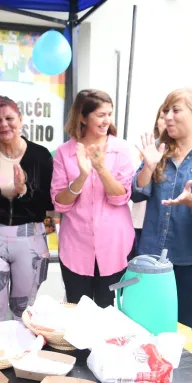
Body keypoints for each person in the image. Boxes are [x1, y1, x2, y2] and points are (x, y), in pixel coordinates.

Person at [132, 88, 192, 331]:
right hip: (153, 255)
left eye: (176, 110)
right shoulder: (159, 148)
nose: (167, 116)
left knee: (187, 328)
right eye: (166, 111)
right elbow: (136, 192)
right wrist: (148, 166)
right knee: (148, 324)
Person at [0, 96, 54, 321]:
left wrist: (22, 191)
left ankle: (22, 355)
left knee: (24, 310)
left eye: (9, 118)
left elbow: (48, 202)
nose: (4, 124)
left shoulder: (40, 156)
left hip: (30, 237)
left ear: (21, 120)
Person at [51, 90, 134, 307]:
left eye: (109, 114)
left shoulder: (121, 150)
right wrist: (82, 176)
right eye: (100, 115)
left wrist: (100, 169)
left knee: (114, 315)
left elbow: (121, 197)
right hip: (76, 250)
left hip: (116, 249)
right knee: (78, 316)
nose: (107, 120)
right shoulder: (64, 152)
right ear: (83, 117)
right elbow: (61, 202)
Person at [131, 107, 166, 248]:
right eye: (162, 117)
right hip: (141, 221)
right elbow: (134, 186)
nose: (168, 120)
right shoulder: (146, 148)